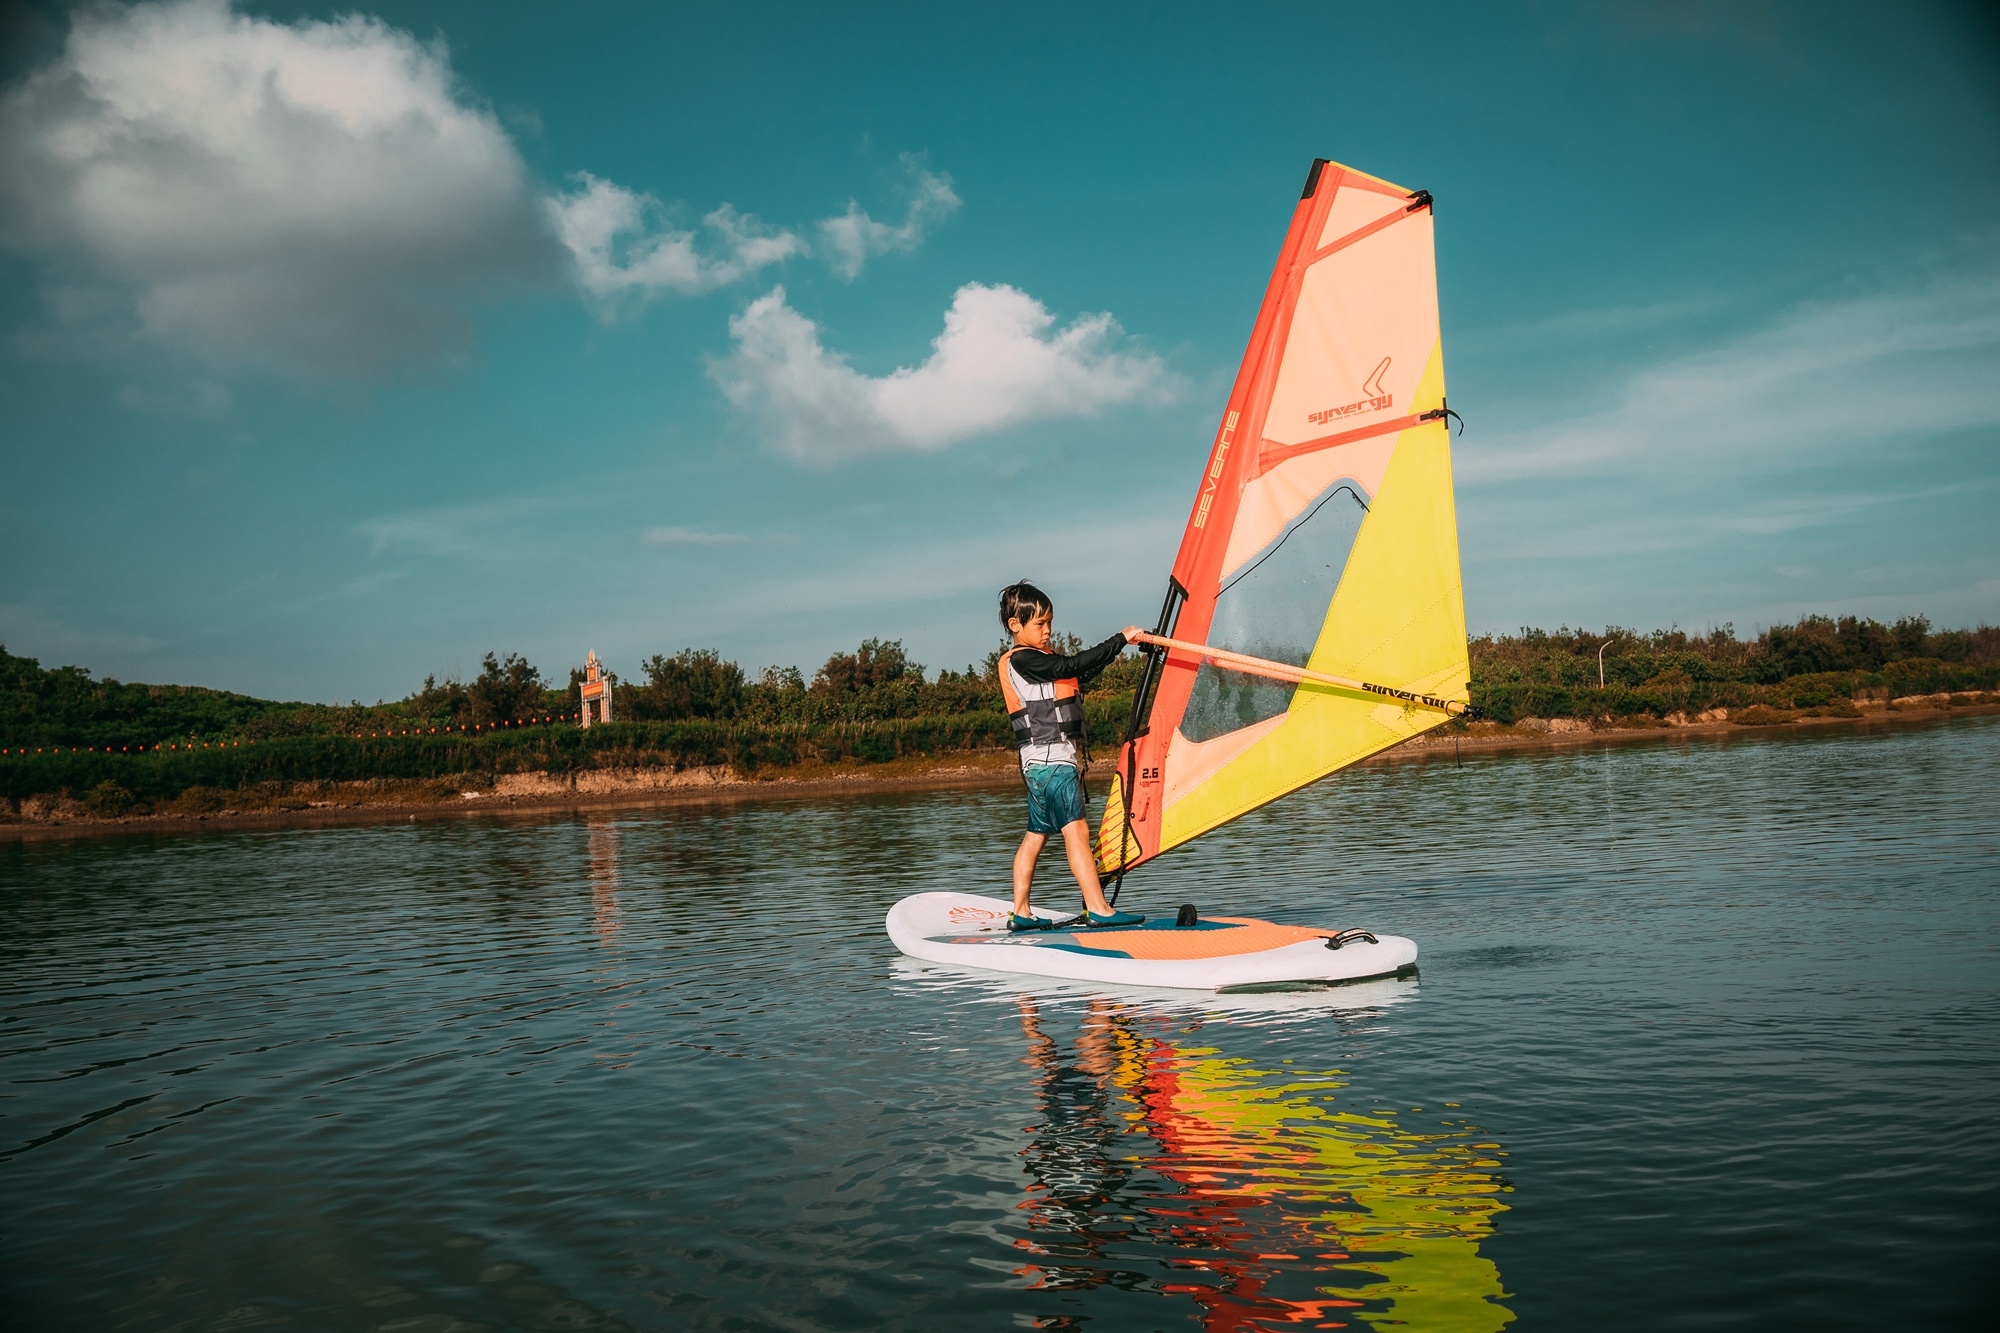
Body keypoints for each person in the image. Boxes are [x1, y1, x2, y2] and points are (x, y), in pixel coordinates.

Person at [996, 581, 1147, 932]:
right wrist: (1119, 639)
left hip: (1037, 763)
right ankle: (1098, 908)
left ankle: (1021, 912)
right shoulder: (1024, 658)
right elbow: (1072, 664)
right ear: (1015, 625)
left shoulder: (1035, 662)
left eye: (1050, 622)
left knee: (1036, 834)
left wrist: (1119, 650)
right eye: (1040, 624)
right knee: (1076, 830)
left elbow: (1079, 672)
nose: (1048, 630)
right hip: (1052, 762)